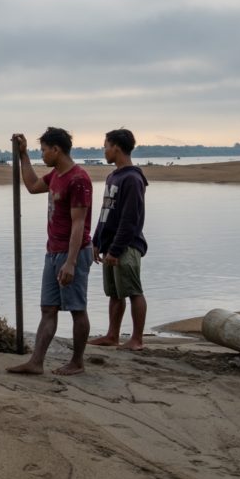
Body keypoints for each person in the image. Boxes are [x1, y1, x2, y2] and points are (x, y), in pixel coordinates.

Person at [7, 127, 93, 376]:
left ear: (57, 149)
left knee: (77, 308)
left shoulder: (78, 179)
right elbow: (33, 185)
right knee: (48, 308)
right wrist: (23, 155)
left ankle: (77, 361)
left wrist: (71, 262)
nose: (42, 155)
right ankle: (36, 361)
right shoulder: (56, 175)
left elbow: (79, 223)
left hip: (72, 253)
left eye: (44, 150)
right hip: (53, 251)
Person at [89, 128, 148, 350]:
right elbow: (105, 213)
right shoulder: (113, 176)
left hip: (126, 246)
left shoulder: (132, 178)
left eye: (105, 146)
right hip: (110, 245)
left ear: (116, 147)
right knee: (114, 293)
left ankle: (137, 339)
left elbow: (130, 219)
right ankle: (112, 335)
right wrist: (96, 242)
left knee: (133, 291)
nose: (104, 150)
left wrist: (115, 250)